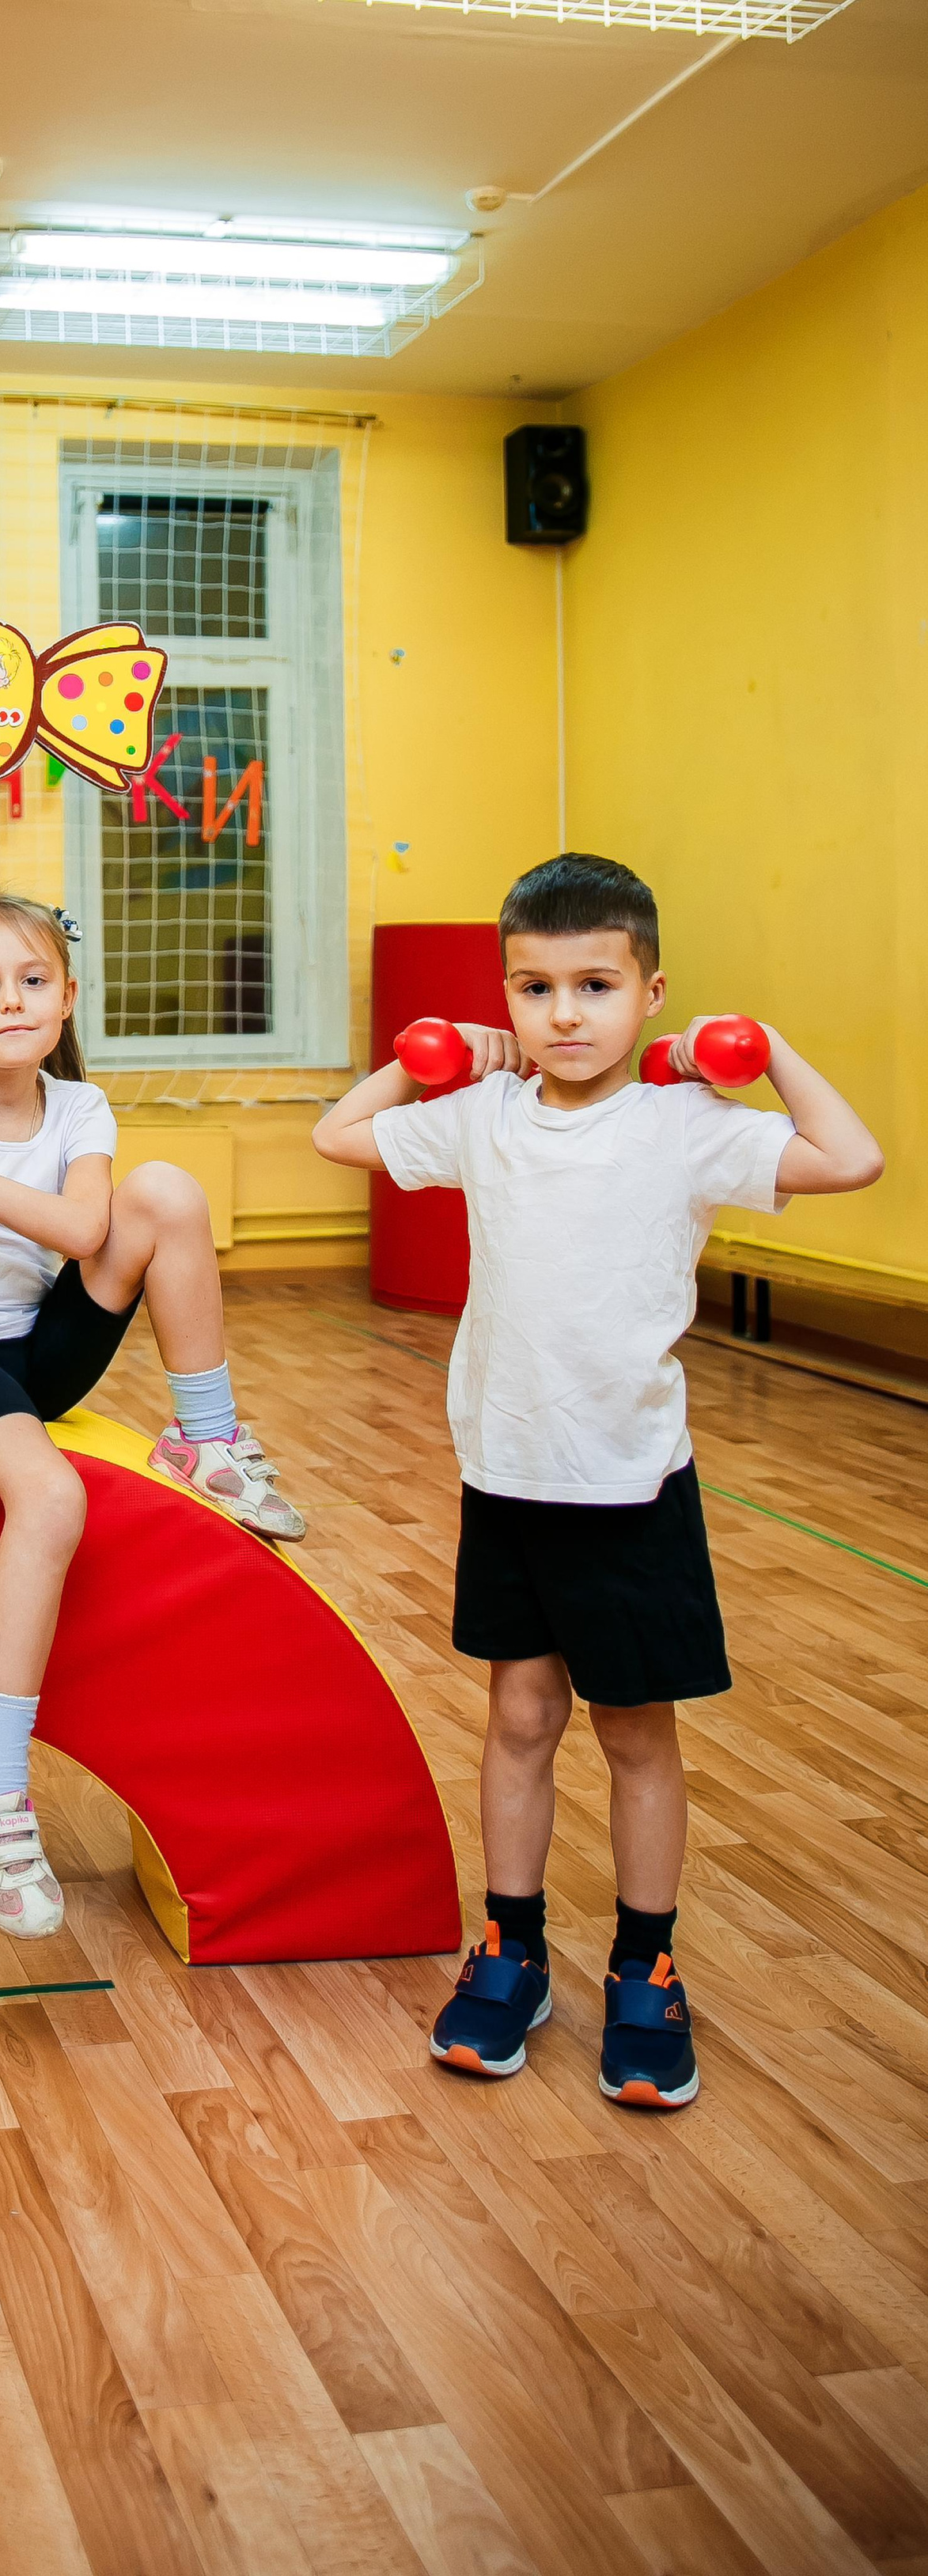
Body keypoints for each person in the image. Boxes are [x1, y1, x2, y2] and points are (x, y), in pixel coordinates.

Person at [312, 852, 882, 2107]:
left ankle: (646, 1966)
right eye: (532, 988)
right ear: (504, 997)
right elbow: (337, 1132)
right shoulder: (487, 1114)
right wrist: (440, 1050)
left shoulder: (691, 1128)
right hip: (507, 1475)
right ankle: (511, 1950)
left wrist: (768, 1049)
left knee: (634, 1733)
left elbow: (853, 1159)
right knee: (519, 1720)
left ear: (653, 992)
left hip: (629, 1486)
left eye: (595, 985)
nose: (564, 1015)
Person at [0, 894, 306, 1941]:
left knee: (166, 1192)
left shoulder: (77, 1110)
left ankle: (206, 1433)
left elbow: (89, 1228)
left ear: (67, 996)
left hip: (39, 1345)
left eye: (33, 981)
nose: (11, 1002)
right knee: (48, 1494)